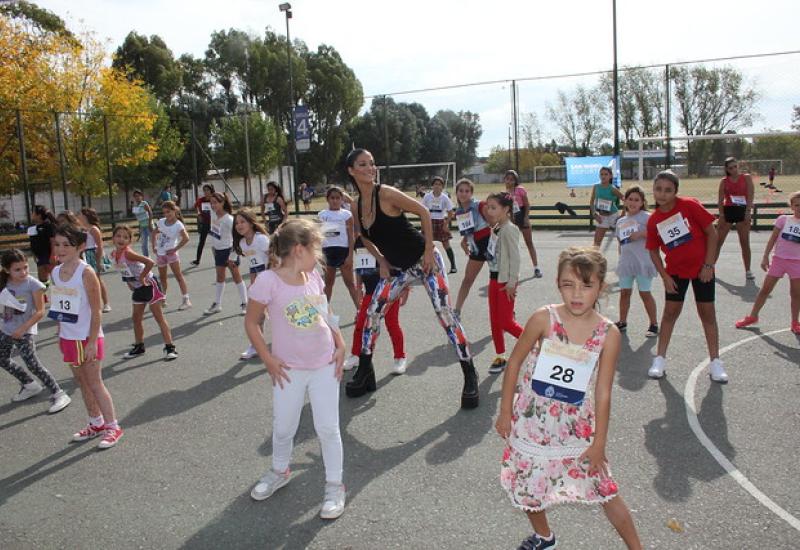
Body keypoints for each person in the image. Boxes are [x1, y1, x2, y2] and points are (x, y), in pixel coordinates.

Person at [496, 246, 642, 550]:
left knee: (605, 488)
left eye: (587, 286)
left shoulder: (608, 333)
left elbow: (603, 392)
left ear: (601, 287)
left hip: (574, 426)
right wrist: (504, 409)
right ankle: (545, 537)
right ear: (557, 283)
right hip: (531, 419)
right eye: (568, 284)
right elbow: (514, 363)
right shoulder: (543, 319)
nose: (577, 294)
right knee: (527, 483)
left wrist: (599, 441)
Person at [344, 148, 479, 408]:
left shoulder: (386, 193)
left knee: (444, 314)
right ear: (351, 171)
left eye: (372, 163)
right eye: (363, 164)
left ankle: (469, 374)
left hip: (424, 260)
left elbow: (423, 212)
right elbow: (365, 238)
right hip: (397, 268)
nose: (370, 168)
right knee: (372, 313)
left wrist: (429, 249)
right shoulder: (355, 204)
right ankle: (365, 371)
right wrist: (382, 261)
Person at [244, 219, 347, 519]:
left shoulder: (312, 275)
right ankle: (279, 470)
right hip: (288, 369)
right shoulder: (267, 282)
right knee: (284, 426)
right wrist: (267, 357)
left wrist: (340, 343)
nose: (320, 255)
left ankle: (334, 485)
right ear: (300, 249)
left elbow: (324, 311)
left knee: (328, 428)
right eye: (316, 248)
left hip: (324, 364)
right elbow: (251, 322)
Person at [645, 170, 727, 382]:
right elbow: (653, 250)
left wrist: (709, 264)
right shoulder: (654, 220)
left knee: (707, 314)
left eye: (668, 190)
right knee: (670, 314)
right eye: (658, 189)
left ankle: (716, 362)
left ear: (676, 192)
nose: (662, 194)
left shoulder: (689, 206)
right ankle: (659, 359)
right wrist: (664, 276)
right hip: (675, 273)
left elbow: (712, 233)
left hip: (703, 271)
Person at [50, 223, 123, 449]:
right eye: (57, 244)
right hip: (69, 337)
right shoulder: (55, 271)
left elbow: (96, 308)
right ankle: (95, 422)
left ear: (80, 246)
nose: (60, 249)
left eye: (66, 245)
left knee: (95, 382)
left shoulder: (86, 272)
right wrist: (61, 330)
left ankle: (113, 427)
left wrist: (92, 340)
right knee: (81, 382)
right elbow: (61, 305)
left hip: (88, 337)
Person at [0, 249, 71, 413]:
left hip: (25, 330)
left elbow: (40, 311)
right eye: (17, 269)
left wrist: (22, 329)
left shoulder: (33, 284)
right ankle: (30, 385)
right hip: (5, 329)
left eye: (25, 267)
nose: (23, 272)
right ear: (6, 270)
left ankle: (58, 393)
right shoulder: (3, 282)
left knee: (32, 364)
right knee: (2, 358)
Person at [735, 190, 800, 334]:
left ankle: (795, 322)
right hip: (779, 260)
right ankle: (753, 316)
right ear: (792, 206)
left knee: (796, 294)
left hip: (797, 263)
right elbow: (773, 239)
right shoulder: (783, 220)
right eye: (797, 205)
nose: (799, 208)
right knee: (765, 290)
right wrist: (765, 256)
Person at [110, 225, 177, 360]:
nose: (121, 239)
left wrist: (141, 277)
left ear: (130, 241)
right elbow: (123, 269)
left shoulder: (128, 253)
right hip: (139, 288)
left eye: (125, 237)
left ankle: (170, 348)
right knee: (136, 318)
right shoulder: (113, 254)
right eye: (118, 236)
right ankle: (139, 347)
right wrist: (130, 283)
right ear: (113, 238)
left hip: (149, 284)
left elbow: (150, 262)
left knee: (158, 317)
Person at [343, 236, 407, 374]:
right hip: (370, 291)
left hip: (389, 289)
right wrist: (359, 287)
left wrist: (405, 289)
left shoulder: (385, 236)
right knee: (360, 323)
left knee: (392, 324)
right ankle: (355, 355)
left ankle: (400, 357)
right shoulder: (358, 241)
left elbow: (401, 264)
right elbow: (359, 267)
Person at [484, 192, 523, 375]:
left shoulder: (510, 229)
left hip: (505, 282)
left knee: (506, 322)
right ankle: (500, 356)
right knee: (495, 321)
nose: (489, 211)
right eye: (488, 207)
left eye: (493, 207)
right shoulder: (497, 228)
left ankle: (535, 345)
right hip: (493, 279)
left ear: (506, 209)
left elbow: (515, 258)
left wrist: (512, 282)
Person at [614, 186, 658, 336]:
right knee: (624, 293)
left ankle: (653, 324)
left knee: (645, 293)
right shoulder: (620, 221)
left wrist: (641, 233)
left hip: (643, 262)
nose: (633, 202)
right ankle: (622, 321)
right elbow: (620, 242)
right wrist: (621, 259)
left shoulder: (647, 217)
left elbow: (656, 234)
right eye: (630, 199)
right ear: (625, 201)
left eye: (636, 200)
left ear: (642, 202)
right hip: (627, 263)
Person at [233, 209, 270, 360]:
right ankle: (256, 346)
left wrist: (268, 281)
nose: (239, 225)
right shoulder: (243, 243)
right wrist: (254, 284)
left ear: (251, 222)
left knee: (285, 315)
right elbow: (253, 266)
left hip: (272, 281)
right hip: (260, 282)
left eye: (243, 222)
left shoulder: (261, 239)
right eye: (237, 223)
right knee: (255, 317)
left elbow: (274, 259)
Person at [204, 192, 248, 315]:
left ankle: (245, 303)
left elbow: (238, 238)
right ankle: (217, 304)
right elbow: (214, 233)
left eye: (216, 203)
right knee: (220, 277)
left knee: (236, 277)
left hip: (230, 251)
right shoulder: (213, 215)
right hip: (218, 251)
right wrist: (213, 248)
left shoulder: (229, 219)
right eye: (211, 203)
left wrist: (232, 256)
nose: (213, 205)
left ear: (223, 203)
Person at [452, 178, 491, 315]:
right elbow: (468, 230)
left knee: (498, 280)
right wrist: (464, 240)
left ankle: (509, 312)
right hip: (476, 248)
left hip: (490, 244)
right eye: (461, 191)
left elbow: (493, 222)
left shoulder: (480, 205)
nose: (463, 193)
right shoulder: (459, 212)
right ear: (456, 193)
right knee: (467, 279)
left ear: (471, 193)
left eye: (467, 191)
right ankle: (456, 310)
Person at [319, 186, 360, 309]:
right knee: (328, 283)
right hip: (327, 251)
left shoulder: (346, 215)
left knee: (350, 283)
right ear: (327, 199)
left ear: (342, 199)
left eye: (338, 198)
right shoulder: (322, 215)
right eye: (332, 198)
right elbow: (319, 236)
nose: (335, 200)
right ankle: (324, 312)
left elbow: (351, 235)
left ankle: (361, 312)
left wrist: (350, 256)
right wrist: (319, 255)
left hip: (343, 251)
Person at [716, 157, 755, 280]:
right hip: (729, 211)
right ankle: (710, 266)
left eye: (735, 166)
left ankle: (748, 270)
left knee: (744, 242)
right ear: (727, 169)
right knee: (718, 242)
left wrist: (748, 211)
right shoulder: (724, 181)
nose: (734, 170)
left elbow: (750, 194)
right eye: (730, 168)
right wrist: (721, 215)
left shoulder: (746, 178)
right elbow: (720, 200)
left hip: (742, 210)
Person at [151, 201, 192, 311]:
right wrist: (154, 246)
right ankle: (163, 298)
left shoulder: (178, 224)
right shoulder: (161, 222)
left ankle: (186, 299)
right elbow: (153, 233)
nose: (166, 214)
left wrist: (175, 249)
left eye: (168, 212)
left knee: (178, 276)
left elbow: (186, 238)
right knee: (163, 278)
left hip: (171, 255)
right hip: (160, 254)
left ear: (175, 211)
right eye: (164, 212)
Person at [504, 169, 542, 277]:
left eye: (512, 179)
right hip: (512, 219)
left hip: (522, 216)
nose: (509, 181)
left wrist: (526, 217)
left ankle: (536, 268)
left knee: (529, 242)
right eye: (507, 179)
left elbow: (527, 204)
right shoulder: (504, 194)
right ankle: (513, 270)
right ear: (504, 180)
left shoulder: (520, 190)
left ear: (515, 180)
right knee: (512, 246)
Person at [421, 176, 457, 274]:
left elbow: (450, 212)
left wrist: (446, 224)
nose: (437, 186)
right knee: (425, 245)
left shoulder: (445, 197)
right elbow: (422, 211)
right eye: (435, 184)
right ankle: (425, 267)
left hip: (440, 222)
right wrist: (423, 225)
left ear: (442, 187)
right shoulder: (427, 197)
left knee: (446, 244)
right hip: (429, 222)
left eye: (440, 184)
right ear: (432, 186)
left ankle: (453, 266)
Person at [78, 208, 111, 313]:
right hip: (85, 254)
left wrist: (99, 260)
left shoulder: (93, 229)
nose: (79, 216)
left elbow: (100, 246)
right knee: (86, 281)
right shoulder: (83, 229)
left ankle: (106, 303)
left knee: (97, 279)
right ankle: (92, 304)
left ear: (86, 216)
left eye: (80, 214)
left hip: (93, 253)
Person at [590, 167, 624, 248]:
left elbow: (625, 199)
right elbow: (591, 202)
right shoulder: (596, 187)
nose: (603, 176)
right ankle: (595, 260)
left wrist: (623, 215)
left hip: (613, 216)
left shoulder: (612, 188)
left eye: (606, 174)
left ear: (610, 176)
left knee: (623, 242)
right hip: (601, 217)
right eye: (601, 174)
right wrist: (595, 214)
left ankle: (624, 259)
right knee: (596, 244)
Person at [27, 205, 57, 285]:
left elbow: (53, 241)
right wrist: (34, 254)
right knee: (42, 280)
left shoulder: (48, 226)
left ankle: (61, 296)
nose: (32, 215)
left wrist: (53, 255)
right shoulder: (33, 228)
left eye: (33, 213)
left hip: (49, 256)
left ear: (39, 215)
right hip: (40, 257)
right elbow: (33, 243)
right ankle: (44, 297)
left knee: (56, 279)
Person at [191, 184, 215, 266]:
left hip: (215, 223)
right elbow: (195, 206)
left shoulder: (215, 199)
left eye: (207, 190)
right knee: (201, 242)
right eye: (204, 190)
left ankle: (219, 260)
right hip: (205, 223)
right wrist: (198, 214)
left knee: (216, 242)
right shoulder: (201, 200)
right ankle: (197, 260)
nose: (205, 192)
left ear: (211, 190)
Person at [131, 190, 154, 258]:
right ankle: (147, 259)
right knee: (144, 245)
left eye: (138, 196)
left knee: (154, 243)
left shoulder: (144, 203)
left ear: (141, 196)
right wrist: (139, 227)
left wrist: (150, 224)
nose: (137, 197)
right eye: (135, 196)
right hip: (142, 227)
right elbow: (137, 217)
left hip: (148, 225)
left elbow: (150, 213)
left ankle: (160, 258)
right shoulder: (135, 206)